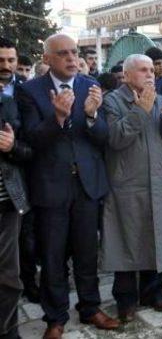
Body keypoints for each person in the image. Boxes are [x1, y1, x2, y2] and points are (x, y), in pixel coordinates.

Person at [16, 34, 120, 339]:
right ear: (47, 59)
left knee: (88, 253)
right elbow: (31, 141)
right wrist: (58, 117)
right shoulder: (30, 92)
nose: (72, 59)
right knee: (52, 257)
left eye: (75, 53)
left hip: (87, 185)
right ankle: (56, 318)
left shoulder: (90, 86)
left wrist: (90, 116)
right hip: (50, 187)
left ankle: (90, 308)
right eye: (63, 54)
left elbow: (103, 138)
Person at [100, 54, 162, 322]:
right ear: (126, 75)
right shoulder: (112, 101)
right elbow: (115, 139)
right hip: (128, 184)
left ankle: (154, 293)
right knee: (126, 241)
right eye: (142, 70)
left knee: (156, 236)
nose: (150, 74)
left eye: (152, 70)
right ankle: (126, 300)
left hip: (158, 181)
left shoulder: (161, 99)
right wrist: (140, 111)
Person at [0, 38, 38, 303]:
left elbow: (34, 146)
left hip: (15, 187)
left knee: (20, 247)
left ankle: (28, 286)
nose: (6, 66)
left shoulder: (26, 93)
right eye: (0, 60)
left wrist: (12, 147)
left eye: (11, 60)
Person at [0, 93, 32, 339]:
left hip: (6, 205)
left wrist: (12, 147)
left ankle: (9, 332)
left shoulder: (8, 103)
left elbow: (28, 151)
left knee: (9, 278)